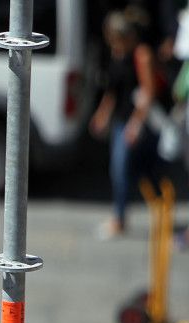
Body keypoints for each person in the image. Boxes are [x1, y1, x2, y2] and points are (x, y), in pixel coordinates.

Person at [90, 10, 164, 239]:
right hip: (121, 121)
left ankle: (146, 214)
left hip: (140, 123)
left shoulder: (142, 54)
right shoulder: (116, 54)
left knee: (136, 170)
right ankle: (123, 216)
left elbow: (148, 91)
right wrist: (102, 114)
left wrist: (135, 124)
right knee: (121, 170)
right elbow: (112, 90)